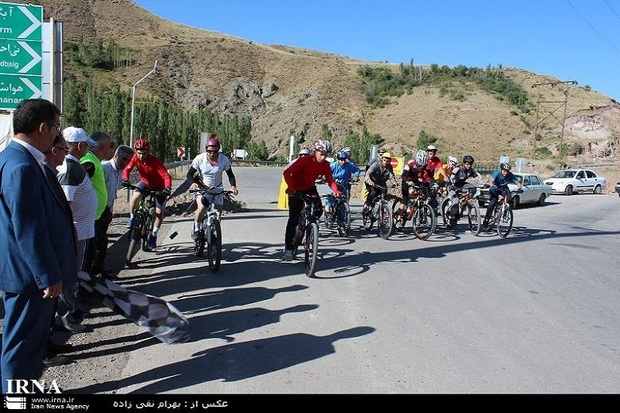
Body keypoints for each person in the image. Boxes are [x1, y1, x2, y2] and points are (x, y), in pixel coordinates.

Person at [0, 99, 77, 392]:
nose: (58, 133)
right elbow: (28, 228)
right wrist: (48, 275)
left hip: (26, 273)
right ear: (43, 128)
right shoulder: (22, 166)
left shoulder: (14, 158)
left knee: (28, 346)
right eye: (56, 127)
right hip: (30, 277)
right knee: (22, 348)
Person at [56, 126, 99, 333]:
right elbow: (67, 203)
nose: (87, 150)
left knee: (75, 275)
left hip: (80, 231)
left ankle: (69, 312)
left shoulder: (73, 165)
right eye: (85, 146)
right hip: (76, 233)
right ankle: (66, 317)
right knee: (71, 276)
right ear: (80, 145)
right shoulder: (69, 168)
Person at [42, 132, 78, 367]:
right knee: (39, 311)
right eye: (65, 150)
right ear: (54, 151)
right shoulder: (40, 172)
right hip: (47, 258)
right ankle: (40, 352)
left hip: (56, 254)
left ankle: (46, 343)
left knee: (47, 311)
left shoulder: (50, 172)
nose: (67, 154)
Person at [282, 139, 341, 261]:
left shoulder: (325, 165)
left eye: (326, 154)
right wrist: (291, 187)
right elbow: (287, 173)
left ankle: (309, 228)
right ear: (315, 151)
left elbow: (330, 180)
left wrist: (336, 191)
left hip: (309, 188)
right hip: (295, 188)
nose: (324, 157)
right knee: (293, 219)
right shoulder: (305, 160)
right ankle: (288, 248)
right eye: (322, 153)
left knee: (318, 210)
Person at [122, 138, 172, 250]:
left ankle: (154, 235)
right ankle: (132, 217)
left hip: (160, 187)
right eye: (139, 153)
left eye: (144, 153)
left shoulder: (155, 161)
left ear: (148, 152)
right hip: (145, 183)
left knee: (159, 213)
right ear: (136, 152)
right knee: (135, 198)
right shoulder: (135, 158)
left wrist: (167, 188)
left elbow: (166, 176)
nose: (141, 156)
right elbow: (127, 169)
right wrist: (125, 179)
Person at [186, 134, 239, 239]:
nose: (212, 154)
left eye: (215, 151)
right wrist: (192, 183)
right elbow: (189, 174)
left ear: (218, 150)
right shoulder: (199, 159)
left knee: (218, 212)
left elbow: (230, 175)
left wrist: (233, 186)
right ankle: (197, 229)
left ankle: (214, 231)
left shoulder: (224, 160)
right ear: (206, 150)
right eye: (209, 151)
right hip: (202, 189)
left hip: (218, 189)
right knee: (201, 208)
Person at [81, 131, 116, 278]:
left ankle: (94, 276)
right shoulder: (89, 161)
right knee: (88, 252)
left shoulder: (96, 160)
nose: (112, 150)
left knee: (100, 245)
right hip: (91, 218)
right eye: (110, 146)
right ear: (102, 146)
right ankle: (85, 285)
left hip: (97, 214)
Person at [99, 145, 134, 278]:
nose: (125, 163)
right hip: (98, 211)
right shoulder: (105, 168)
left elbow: (112, 192)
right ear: (116, 156)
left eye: (128, 160)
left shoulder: (119, 171)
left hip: (107, 209)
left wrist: (110, 211)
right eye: (123, 159)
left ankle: (99, 269)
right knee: (100, 242)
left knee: (102, 240)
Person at [395, 149, 435, 227]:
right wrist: (407, 181)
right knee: (406, 198)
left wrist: (433, 182)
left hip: (415, 180)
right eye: (419, 164)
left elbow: (429, 176)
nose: (420, 166)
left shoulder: (425, 165)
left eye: (422, 165)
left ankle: (419, 209)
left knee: (424, 191)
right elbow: (403, 175)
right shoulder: (410, 163)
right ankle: (399, 216)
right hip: (406, 180)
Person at [447, 155, 485, 225]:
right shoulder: (457, 169)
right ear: (463, 163)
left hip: (462, 185)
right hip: (453, 186)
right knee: (455, 201)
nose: (469, 166)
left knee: (473, 189)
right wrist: (452, 185)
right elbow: (451, 178)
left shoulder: (471, 170)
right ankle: (452, 218)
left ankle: (466, 201)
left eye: (470, 164)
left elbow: (478, 178)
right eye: (467, 164)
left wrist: (483, 183)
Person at [482, 162, 522, 228]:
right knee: (492, 203)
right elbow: (492, 181)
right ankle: (486, 220)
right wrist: (490, 184)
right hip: (495, 188)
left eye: (507, 171)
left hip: (504, 188)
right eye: (504, 171)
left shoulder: (510, 175)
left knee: (509, 199)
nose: (505, 173)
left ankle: (502, 207)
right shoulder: (497, 173)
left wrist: (519, 187)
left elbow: (517, 182)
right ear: (501, 170)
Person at [324, 149, 361, 216]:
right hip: (334, 185)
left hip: (344, 185)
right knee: (331, 197)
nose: (343, 161)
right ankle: (328, 206)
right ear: (338, 159)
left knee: (344, 200)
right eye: (341, 159)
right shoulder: (333, 165)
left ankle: (342, 220)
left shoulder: (349, 165)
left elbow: (357, 170)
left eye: (344, 159)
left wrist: (356, 176)